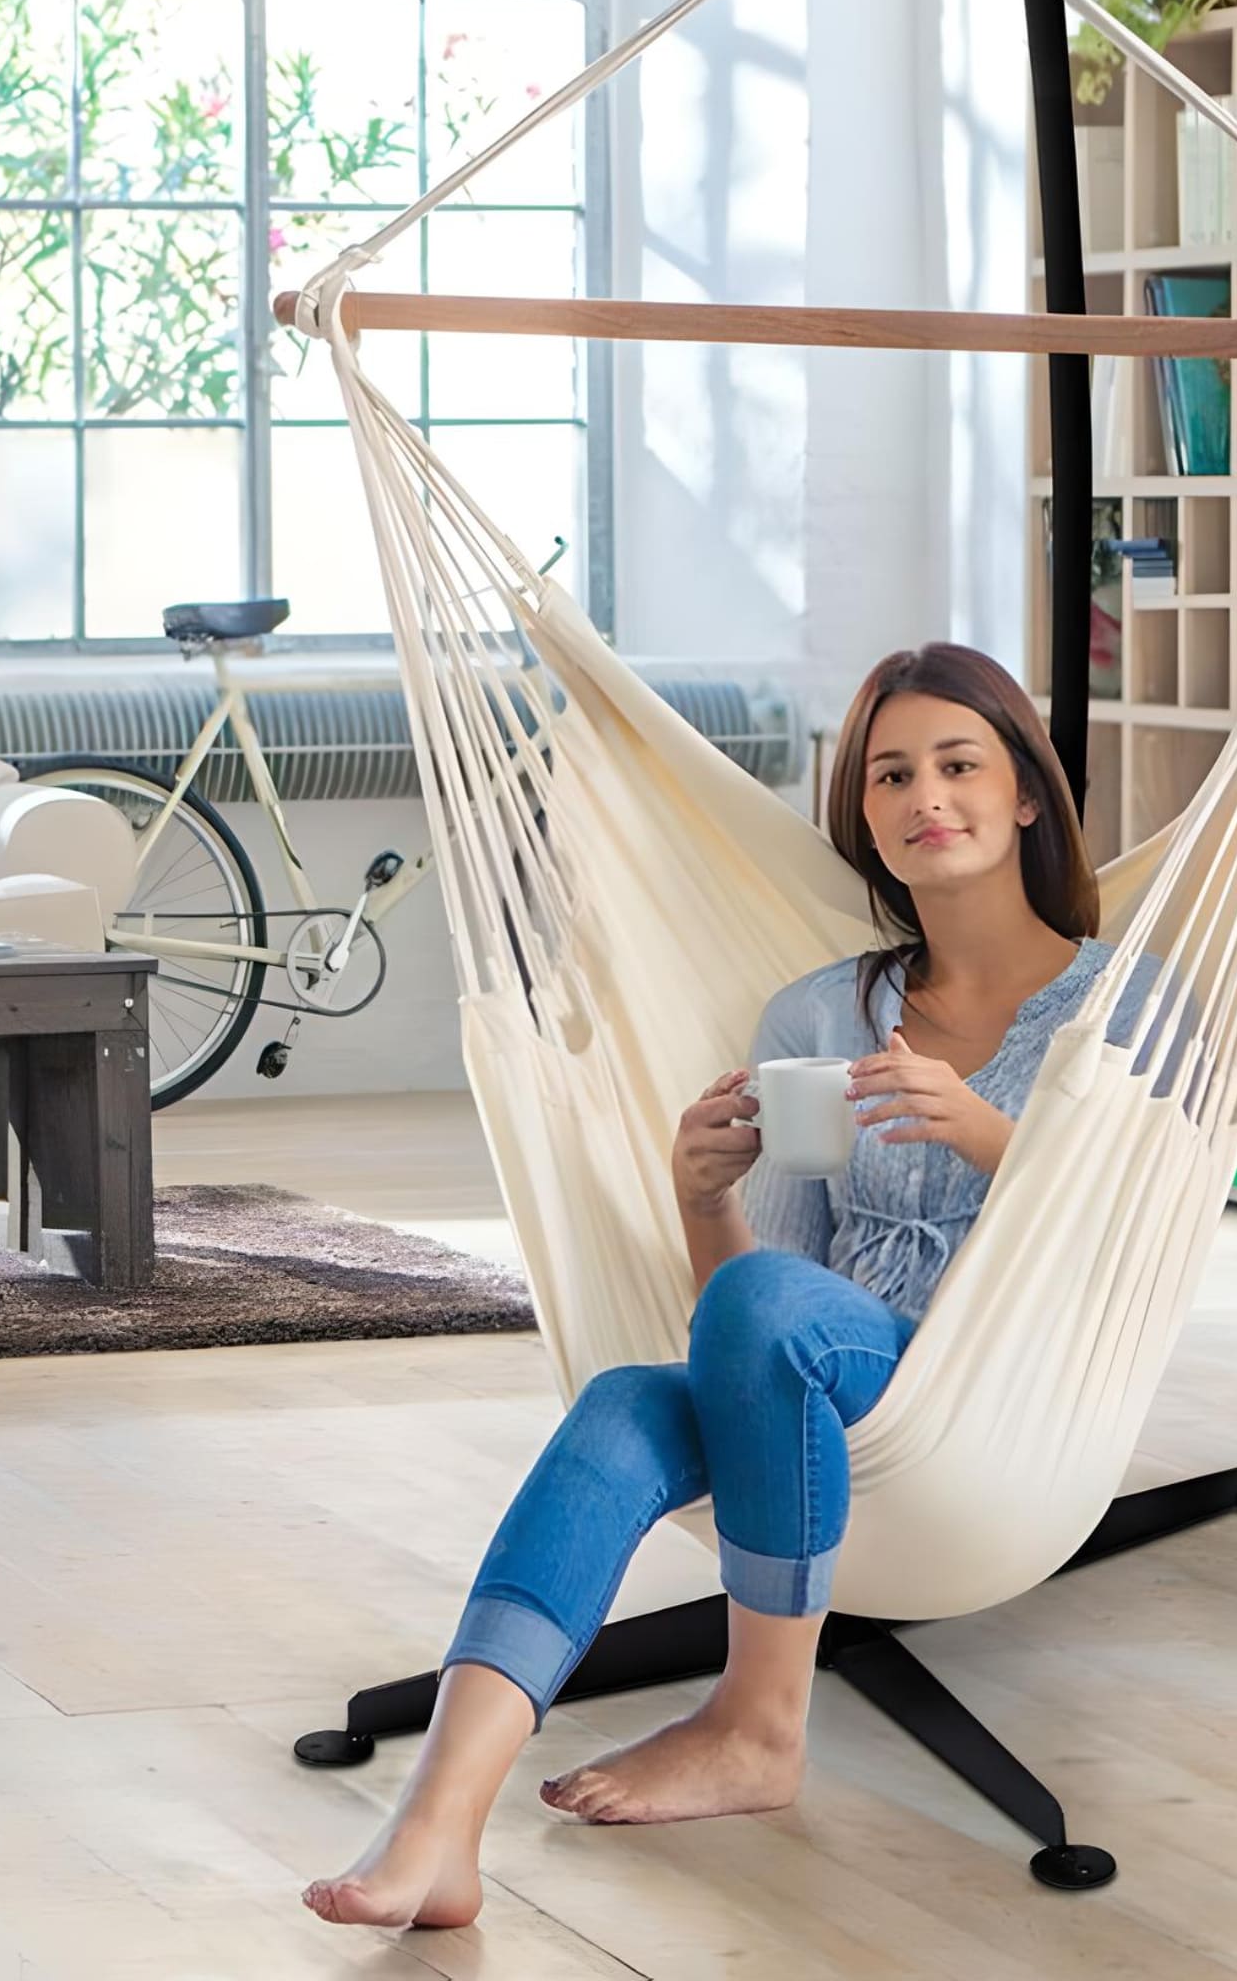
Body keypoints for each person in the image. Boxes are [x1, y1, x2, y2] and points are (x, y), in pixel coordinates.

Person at [304, 641, 1158, 1931]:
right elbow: (756, 1307)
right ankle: (438, 1825)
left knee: (750, 1331)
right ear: (865, 820)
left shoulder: (1128, 1010)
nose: (926, 792)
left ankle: (761, 1722)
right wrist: (702, 1195)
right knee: (624, 1404)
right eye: (890, 774)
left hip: (1004, 1399)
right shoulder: (821, 1018)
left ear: (1027, 792)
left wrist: (988, 1132)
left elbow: (1140, 1233)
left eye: (959, 762)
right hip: (828, 1373)